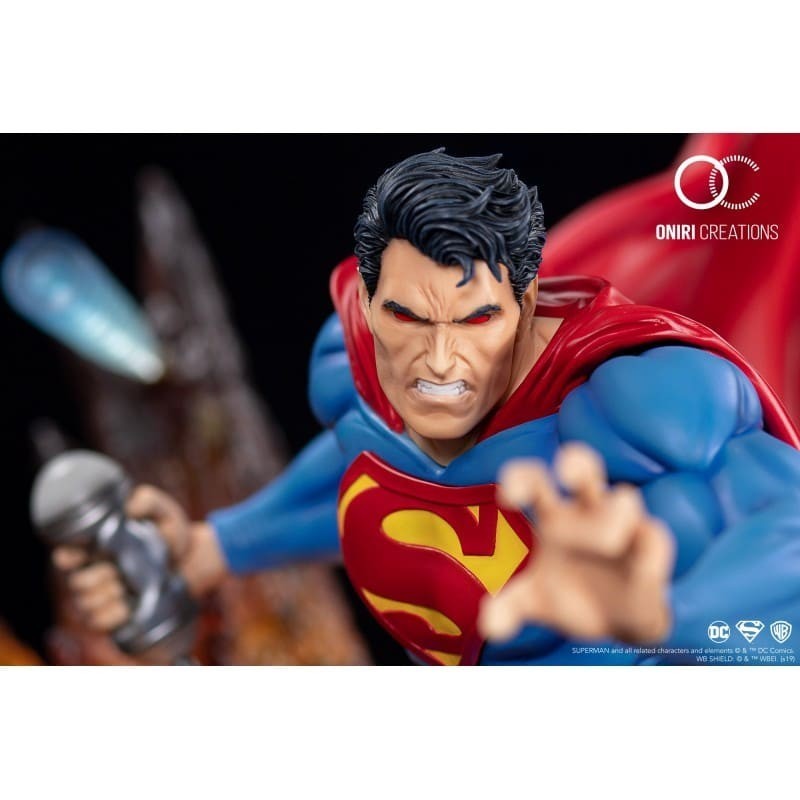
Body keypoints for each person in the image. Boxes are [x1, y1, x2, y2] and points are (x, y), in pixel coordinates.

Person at [56, 150, 800, 665]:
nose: (439, 362)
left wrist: (673, 619)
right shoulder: (356, 367)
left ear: (525, 307)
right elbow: (370, 469)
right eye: (407, 317)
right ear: (370, 301)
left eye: (477, 320)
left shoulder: (644, 413)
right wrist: (219, 545)